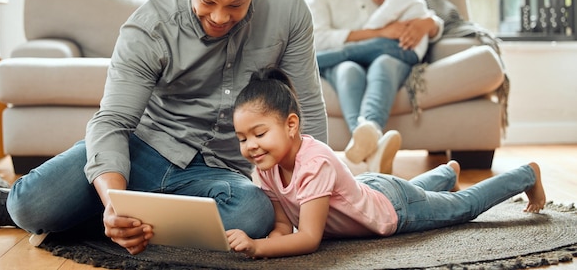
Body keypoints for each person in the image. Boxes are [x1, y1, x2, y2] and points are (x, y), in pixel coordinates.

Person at [0, 0, 330, 255]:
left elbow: (307, 106)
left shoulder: (288, 10)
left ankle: (87, 218)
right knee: (31, 208)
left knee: (253, 215)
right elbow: (113, 122)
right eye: (208, 1)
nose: (220, 17)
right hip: (143, 150)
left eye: (235, 4)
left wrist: (315, 193)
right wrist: (114, 201)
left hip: (218, 170)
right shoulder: (151, 27)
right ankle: (44, 207)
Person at [227, 67, 546, 259]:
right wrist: (269, 245)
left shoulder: (315, 163)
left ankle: (525, 174)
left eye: (259, 133)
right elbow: (284, 226)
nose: (251, 145)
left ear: (291, 125)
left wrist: (258, 246)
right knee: (413, 191)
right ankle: (445, 173)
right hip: (370, 191)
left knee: (463, 206)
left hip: (394, 210)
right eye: (242, 138)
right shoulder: (265, 168)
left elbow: (310, 238)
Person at [307, 0, 445, 171]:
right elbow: (321, 37)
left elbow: (418, 8)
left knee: (384, 63)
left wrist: (428, 24)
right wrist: (380, 33)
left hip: (389, 56)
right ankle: (373, 149)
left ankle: (369, 141)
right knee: (348, 69)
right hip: (346, 60)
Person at [315, 0, 431, 70]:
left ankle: (306, 64)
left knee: (349, 52)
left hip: (405, 48)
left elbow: (382, 16)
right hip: (404, 48)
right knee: (352, 53)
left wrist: (368, 32)